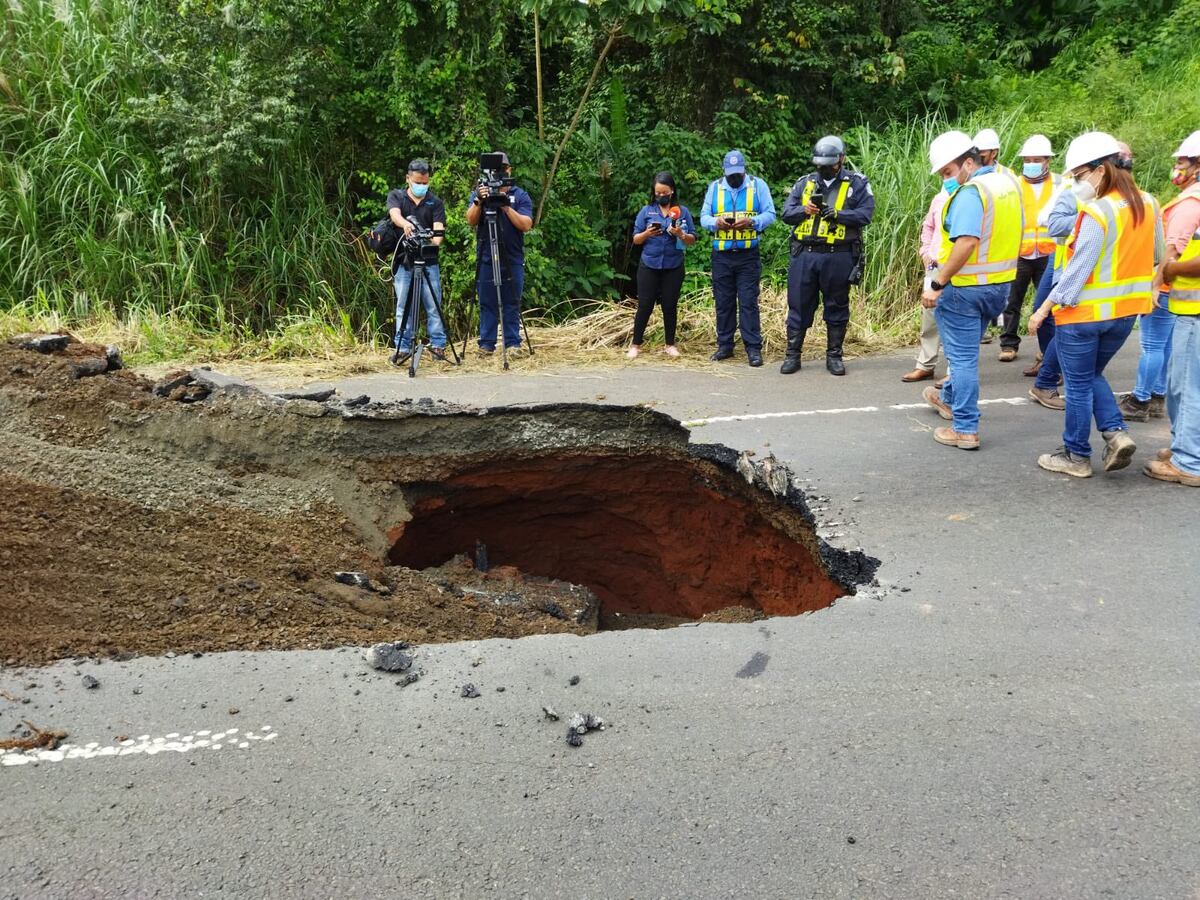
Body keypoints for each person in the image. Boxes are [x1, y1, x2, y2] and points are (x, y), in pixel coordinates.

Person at [1027, 131, 1163, 478]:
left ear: (1101, 170)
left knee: (1076, 385)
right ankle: (1115, 434)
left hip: (1083, 316)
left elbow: (1076, 272)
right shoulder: (1148, 202)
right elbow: (1158, 256)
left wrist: (1043, 310)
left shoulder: (1096, 212)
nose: (1076, 182)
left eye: (1079, 175)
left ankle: (1076, 455)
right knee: (1089, 375)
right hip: (1123, 316)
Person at [920, 130, 1022, 450]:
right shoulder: (1008, 184)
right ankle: (947, 395)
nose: (947, 180)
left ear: (968, 162)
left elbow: (966, 242)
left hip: (965, 288)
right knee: (965, 354)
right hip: (999, 287)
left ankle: (964, 428)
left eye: (948, 172)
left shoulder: (971, 192)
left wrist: (937, 284)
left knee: (962, 359)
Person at [1118, 131, 1200, 422]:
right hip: (1182, 292)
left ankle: (1140, 400)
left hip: (1169, 286)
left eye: (1182, 162)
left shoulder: (1189, 204)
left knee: (1152, 345)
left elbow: (1171, 252)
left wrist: (1154, 284)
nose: (1177, 168)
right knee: (1163, 345)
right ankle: (1155, 398)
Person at [779, 135, 875, 376]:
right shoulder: (805, 183)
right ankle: (793, 355)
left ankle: (834, 356)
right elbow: (786, 213)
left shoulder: (857, 183)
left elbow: (865, 215)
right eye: (819, 163)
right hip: (805, 255)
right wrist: (804, 210)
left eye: (828, 163)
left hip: (838, 255)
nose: (823, 168)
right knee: (799, 305)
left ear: (841, 159)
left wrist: (839, 215)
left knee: (837, 306)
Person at [700, 150, 776, 366]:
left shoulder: (757, 185)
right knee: (723, 302)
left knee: (748, 301)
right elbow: (704, 217)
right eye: (731, 174)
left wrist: (752, 222)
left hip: (748, 256)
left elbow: (770, 214)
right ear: (724, 171)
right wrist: (716, 223)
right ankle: (725, 346)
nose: (734, 178)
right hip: (722, 255)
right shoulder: (714, 187)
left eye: (738, 174)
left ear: (744, 170)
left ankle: (753, 348)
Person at [1144, 221, 1200, 486]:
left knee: (1188, 389)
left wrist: (1170, 268)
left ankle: (1189, 462)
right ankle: (1185, 447)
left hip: (1196, 315)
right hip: (1191, 313)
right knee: (1183, 387)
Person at [997, 135, 1062, 362]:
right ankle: (1008, 344)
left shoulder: (1060, 184)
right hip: (1020, 252)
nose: (1031, 164)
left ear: (1048, 161)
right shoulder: (1014, 184)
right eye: (1028, 159)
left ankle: (1046, 349)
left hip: (1049, 252)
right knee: (1012, 301)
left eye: (1037, 159)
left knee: (1047, 304)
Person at [465, 151, 534, 354]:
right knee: (487, 302)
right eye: (495, 171)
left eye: (502, 170)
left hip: (512, 258)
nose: (498, 175)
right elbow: (470, 220)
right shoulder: (481, 193)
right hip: (487, 257)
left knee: (511, 301)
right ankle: (486, 344)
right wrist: (479, 200)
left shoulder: (519, 195)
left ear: (509, 170)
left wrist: (506, 207)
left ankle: (512, 343)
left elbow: (526, 224)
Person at [628, 172, 697, 359]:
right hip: (649, 264)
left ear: (672, 191)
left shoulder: (682, 212)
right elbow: (636, 238)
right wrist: (647, 234)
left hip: (673, 265)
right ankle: (636, 344)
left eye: (664, 192)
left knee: (669, 305)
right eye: (657, 193)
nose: (661, 196)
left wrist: (680, 234)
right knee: (645, 305)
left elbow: (692, 239)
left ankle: (669, 344)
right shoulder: (646, 211)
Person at [387, 159, 447, 362]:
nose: (421, 185)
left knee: (433, 304)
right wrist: (406, 225)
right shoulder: (397, 196)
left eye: (425, 182)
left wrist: (429, 239)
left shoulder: (435, 202)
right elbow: (394, 215)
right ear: (408, 178)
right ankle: (403, 347)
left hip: (429, 261)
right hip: (405, 261)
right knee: (404, 305)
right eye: (417, 182)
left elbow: (438, 234)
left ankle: (438, 345)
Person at [973, 128, 1021, 344]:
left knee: (1007, 296)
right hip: (978, 239)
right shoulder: (970, 173)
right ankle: (980, 330)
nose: (977, 156)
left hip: (1002, 243)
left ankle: (1007, 341)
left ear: (994, 152)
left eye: (981, 152)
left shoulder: (1008, 176)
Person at [901, 186, 949, 383]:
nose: (948, 179)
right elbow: (928, 227)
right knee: (929, 315)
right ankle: (925, 365)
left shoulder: (972, 196)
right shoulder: (940, 198)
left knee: (959, 317)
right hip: (936, 265)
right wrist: (925, 252)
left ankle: (954, 372)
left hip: (962, 266)